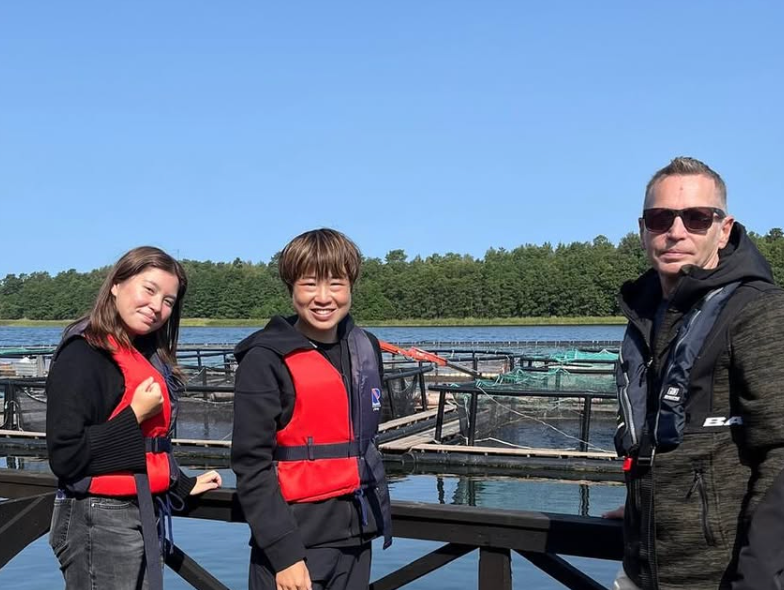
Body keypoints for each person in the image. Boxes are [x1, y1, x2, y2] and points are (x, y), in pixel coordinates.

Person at [611, 157, 784, 590]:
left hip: (719, 578)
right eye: (660, 218)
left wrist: (758, 579)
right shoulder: (647, 315)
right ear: (643, 230)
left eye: (697, 218)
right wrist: (644, 508)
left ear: (723, 230)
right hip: (640, 570)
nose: (676, 231)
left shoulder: (760, 312)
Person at [46, 246, 222, 590]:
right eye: (149, 290)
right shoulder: (84, 354)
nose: (157, 306)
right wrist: (135, 414)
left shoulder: (141, 353)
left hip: (139, 508)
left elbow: (146, 446)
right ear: (116, 284)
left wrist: (179, 483)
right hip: (99, 517)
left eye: (168, 301)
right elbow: (66, 455)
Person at [231, 228, 392, 590]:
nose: (323, 298)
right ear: (291, 288)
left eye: (336, 284)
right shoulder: (265, 359)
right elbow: (251, 465)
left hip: (357, 539)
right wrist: (284, 555)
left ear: (351, 286)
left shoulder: (364, 348)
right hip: (293, 548)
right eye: (309, 285)